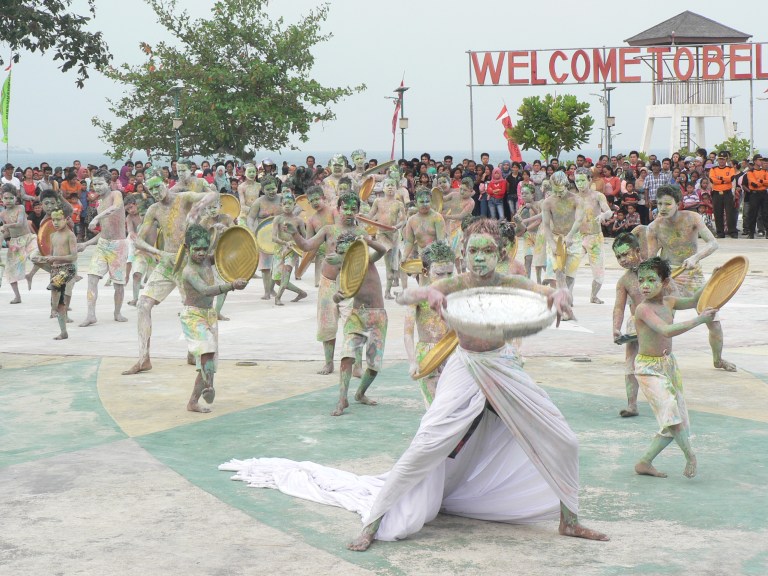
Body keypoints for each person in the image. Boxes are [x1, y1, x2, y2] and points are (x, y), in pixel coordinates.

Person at [344, 218, 608, 550]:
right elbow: (405, 295)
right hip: (465, 365)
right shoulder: (455, 283)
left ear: (500, 254)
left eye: (487, 251)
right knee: (426, 444)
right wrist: (428, 292)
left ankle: (569, 521)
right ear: (464, 253)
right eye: (473, 251)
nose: (480, 257)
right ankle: (373, 522)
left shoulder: (510, 281)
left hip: (502, 363)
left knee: (565, 441)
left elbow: (549, 291)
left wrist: (561, 294)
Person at [122, 171, 218, 375]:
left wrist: (197, 209)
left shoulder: (183, 198)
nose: (156, 192)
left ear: (166, 183)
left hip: (188, 264)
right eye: (151, 189)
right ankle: (143, 358)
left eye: (158, 186)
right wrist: (159, 253)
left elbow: (212, 195)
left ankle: (195, 353)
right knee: (143, 304)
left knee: (193, 308)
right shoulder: (154, 210)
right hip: (167, 263)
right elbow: (138, 240)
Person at [633, 257, 717, 479]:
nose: (645, 285)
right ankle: (690, 456)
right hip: (648, 369)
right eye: (641, 280)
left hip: (668, 365)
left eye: (651, 280)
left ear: (665, 282)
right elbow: (666, 330)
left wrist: (713, 280)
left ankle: (645, 462)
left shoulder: (669, 302)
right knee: (672, 416)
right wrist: (699, 320)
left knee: (676, 419)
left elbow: (694, 300)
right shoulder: (642, 309)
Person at [646, 185, 736, 372]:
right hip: (669, 277)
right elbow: (652, 260)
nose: (662, 208)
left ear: (678, 203)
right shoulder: (654, 227)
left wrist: (695, 258)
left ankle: (718, 359)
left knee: (713, 320)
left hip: (693, 274)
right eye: (659, 203)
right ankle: (658, 360)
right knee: (665, 323)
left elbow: (713, 243)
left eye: (667, 204)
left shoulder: (693, 218)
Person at [287, 192, 369, 376]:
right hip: (328, 283)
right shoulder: (328, 230)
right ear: (338, 209)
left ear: (358, 211)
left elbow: (366, 260)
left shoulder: (361, 234)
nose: (349, 212)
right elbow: (307, 246)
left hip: (351, 285)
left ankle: (357, 365)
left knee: (354, 324)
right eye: (345, 208)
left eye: (353, 209)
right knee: (327, 324)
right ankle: (328, 363)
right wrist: (294, 234)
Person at [179, 224, 248, 413]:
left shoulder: (206, 260)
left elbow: (224, 256)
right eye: (196, 249)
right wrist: (232, 285)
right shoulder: (189, 271)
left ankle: (194, 400)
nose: (201, 253)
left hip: (209, 314)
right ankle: (208, 387)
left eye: (204, 248)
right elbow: (205, 290)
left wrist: (227, 237)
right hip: (193, 315)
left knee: (210, 362)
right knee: (207, 352)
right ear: (187, 248)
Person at [329, 232, 388, 416]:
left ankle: (360, 393)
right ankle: (342, 398)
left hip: (377, 317)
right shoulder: (343, 272)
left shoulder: (367, 261)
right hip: (357, 316)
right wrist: (337, 297)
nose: (345, 256)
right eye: (341, 253)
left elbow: (382, 250)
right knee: (347, 356)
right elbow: (340, 294)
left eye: (348, 252)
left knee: (374, 365)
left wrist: (368, 241)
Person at [403, 241, 455, 407]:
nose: (445, 278)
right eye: (439, 273)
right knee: (434, 406)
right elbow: (407, 333)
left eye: (449, 273)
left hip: (452, 351)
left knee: (453, 404)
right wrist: (412, 361)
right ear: (425, 271)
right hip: (427, 354)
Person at [76, 169, 129, 327]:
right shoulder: (99, 203)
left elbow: (117, 207)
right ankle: (91, 314)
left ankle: (117, 312)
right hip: (103, 245)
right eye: (95, 184)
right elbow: (104, 232)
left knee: (118, 284)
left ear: (109, 183)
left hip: (118, 246)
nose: (97, 187)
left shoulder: (115, 194)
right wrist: (86, 244)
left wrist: (97, 218)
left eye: (100, 183)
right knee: (92, 278)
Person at [611, 232, 648, 417]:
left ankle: (669, 401)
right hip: (635, 323)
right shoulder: (624, 281)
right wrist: (616, 328)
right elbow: (619, 307)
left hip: (656, 322)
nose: (622, 260)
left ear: (638, 251)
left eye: (625, 254)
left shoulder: (654, 270)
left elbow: (671, 295)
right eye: (618, 257)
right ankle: (632, 404)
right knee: (630, 364)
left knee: (661, 361)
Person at [540, 171, 585, 314]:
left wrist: (570, 235)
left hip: (574, 238)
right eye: (555, 191)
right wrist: (552, 244)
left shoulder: (577, 200)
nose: (558, 194)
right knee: (558, 271)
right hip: (555, 238)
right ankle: (563, 304)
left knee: (570, 276)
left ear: (566, 185)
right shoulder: (548, 202)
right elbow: (546, 225)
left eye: (561, 191)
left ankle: (566, 297)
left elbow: (578, 220)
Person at [35, 209, 78, 340]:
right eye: (53, 220)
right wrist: (43, 259)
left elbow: (73, 256)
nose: (55, 222)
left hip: (68, 268)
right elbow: (52, 256)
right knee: (60, 303)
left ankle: (54, 309)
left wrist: (55, 258)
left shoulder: (70, 235)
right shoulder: (53, 236)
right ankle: (63, 332)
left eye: (59, 219)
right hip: (56, 269)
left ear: (66, 220)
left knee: (54, 288)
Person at [574, 168, 612, 304]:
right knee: (569, 268)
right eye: (577, 180)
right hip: (577, 237)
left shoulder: (598, 196)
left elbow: (608, 211)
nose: (579, 183)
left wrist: (604, 215)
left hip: (594, 237)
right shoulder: (572, 197)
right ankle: (568, 296)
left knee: (598, 273)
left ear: (590, 180)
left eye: (582, 180)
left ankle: (594, 296)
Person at [367, 177, 406, 299]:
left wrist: (396, 226)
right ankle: (387, 291)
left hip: (393, 234)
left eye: (392, 185)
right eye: (387, 185)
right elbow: (370, 215)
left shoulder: (399, 204)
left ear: (396, 188)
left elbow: (403, 220)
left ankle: (392, 286)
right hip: (382, 234)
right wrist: (362, 216)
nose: (390, 187)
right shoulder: (378, 201)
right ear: (383, 188)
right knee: (388, 258)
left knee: (396, 260)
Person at [246, 175, 282, 300]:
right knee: (266, 266)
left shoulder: (282, 199)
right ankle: (267, 292)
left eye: (273, 188)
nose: (271, 191)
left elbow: (297, 208)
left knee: (277, 265)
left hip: (280, 236)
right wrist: (251, 230)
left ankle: (272, 288)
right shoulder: (258, 202)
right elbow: (250, 218)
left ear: (277, 187)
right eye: (268, 189)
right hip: (263, 237)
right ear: (262, 190)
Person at [1, 182, 37, 304]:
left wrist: (6, 226)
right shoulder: (3, 214)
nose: (8, 200)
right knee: (10, 270)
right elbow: (7, 232)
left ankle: (30, 275)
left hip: (27, 239)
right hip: (15, 243)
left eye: (11, 198)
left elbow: (20, 223)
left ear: (16, 198)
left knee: (38, 257)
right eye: (6, 198)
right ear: (2, 199)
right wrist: (1, 238)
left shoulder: (20, 208)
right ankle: (17, 296)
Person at [271, 192, 307, 306]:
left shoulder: (299, 221)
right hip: (279, 249)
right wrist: (284, 243)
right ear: (281, 205)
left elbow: (305, 237)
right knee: (277, 279)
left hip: (293, 250)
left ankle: (278, 298)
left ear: (294, 204)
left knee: (286, 275)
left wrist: (296, 240)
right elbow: (273, 237)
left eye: (290, 203)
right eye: (285, 203)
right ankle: (301, 292)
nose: (287, 206)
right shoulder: (278, 219)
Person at [707, 153, 737, 238]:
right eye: (720, 159)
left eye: (723, 159)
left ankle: (732, 231)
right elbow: (712, 180)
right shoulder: (713, 169)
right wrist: (724, 180)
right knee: (718, 213)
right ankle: (720, 232)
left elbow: (731, 178)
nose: (721, 161)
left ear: (726, 160)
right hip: (717, 193)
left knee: (730, 213)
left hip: (727, 193)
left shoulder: (730, 169)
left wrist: (720, 178)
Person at [744, 154, 768, 239]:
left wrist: (760, 181)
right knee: (753, 213)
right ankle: (751, 233)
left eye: (761, 160)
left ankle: (767, 231)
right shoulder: (750, 172)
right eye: (759, 160)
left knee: (765, 213)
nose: (761, 161)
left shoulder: (765, 171)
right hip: (754, 194)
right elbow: (753, 184)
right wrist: (763, 182)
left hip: (764, 194)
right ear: (754, 161)